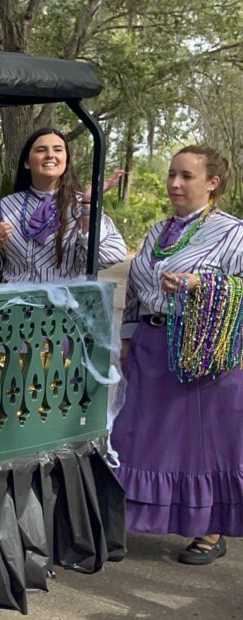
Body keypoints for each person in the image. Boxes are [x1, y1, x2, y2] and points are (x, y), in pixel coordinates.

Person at [113, 144, 243, 564]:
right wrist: (128, 337)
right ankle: (130, 518)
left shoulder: (233, 233)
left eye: (187, 176)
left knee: (201, 446)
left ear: (212, 183)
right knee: (137, 436)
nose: (174, 183)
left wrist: (201, 285)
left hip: (201, 352)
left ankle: (210, 529)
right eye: (172, 174)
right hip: (151, 346)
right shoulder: (158, 232)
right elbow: (137, 287)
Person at [0, 128, 126, 283]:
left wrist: (87, 206)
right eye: (41, 150)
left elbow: (107, 258)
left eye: (58, 150)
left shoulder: (82, 204)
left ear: (66, 160)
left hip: (68, 297)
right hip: (15, 297)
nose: (50, 155)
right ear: (27, 162)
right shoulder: (6, 207)